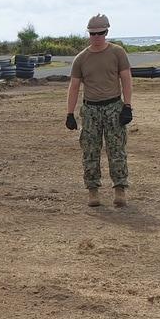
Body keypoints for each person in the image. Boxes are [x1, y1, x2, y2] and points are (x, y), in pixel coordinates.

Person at [65, 13, 133, 207]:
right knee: (90, 151)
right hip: (91, 110)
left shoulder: (117, 53)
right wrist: (70, 113)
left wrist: (127, 106)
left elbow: (126, 79)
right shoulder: (81, 59)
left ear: (106, 32)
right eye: (93, 34)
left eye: (100, 33)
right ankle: (93, 191)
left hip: (113, 107)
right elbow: (74, 87)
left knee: (117, 150)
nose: (96, 37)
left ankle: (120, 189)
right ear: (88, 34)